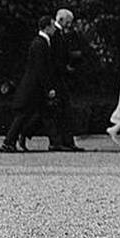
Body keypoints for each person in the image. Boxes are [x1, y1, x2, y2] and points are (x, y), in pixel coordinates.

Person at [0, 14, 59, 152]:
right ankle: (10, 140)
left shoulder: (42, 42)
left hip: (35, 85)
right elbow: (40, 68)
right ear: (47, 27)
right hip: (33, 86)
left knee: (40, 114)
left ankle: (21, 137)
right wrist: (48, 87)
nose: (54, 29)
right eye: (52, 26)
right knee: (24, 114)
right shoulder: (39, 44)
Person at [49, 8, 83, 151]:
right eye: (68, 22)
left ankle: (66, 141)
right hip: (58, 77)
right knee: (63, 110)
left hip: (60, 76)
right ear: (61, 20)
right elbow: (56, 58)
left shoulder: (60, 34)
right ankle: (64, 141)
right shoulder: (56, 34)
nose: (70, 25)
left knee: (64, 110)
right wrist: (66, 67)